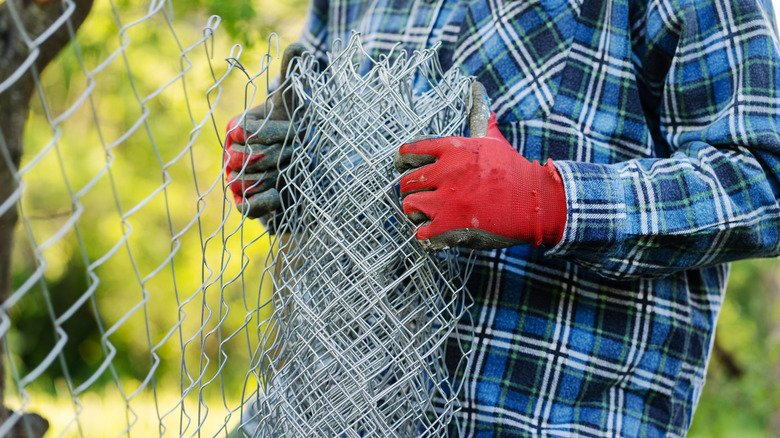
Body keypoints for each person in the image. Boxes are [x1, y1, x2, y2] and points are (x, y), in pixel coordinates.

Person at [223, 0, 780, 436]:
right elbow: (307, 148)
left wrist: (547, 201)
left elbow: (764, 178)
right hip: (324, 411)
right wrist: (288, 172)